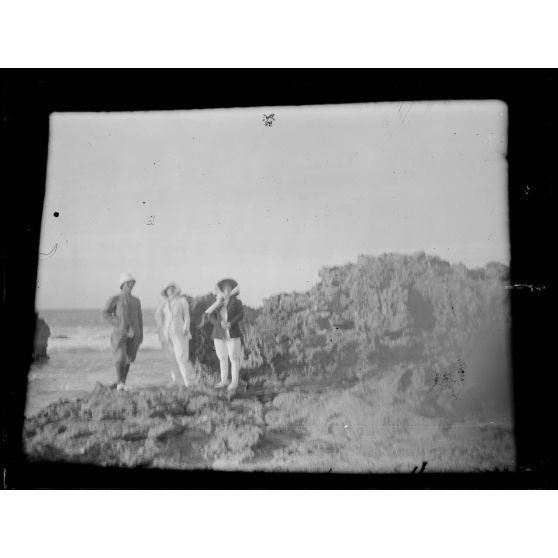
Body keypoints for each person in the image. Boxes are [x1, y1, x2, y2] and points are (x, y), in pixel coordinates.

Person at [102, 272, 143, 391]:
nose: (132, 284)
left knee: (129, 357)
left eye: (133, 282)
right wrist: (117, 322)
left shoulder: (136, 300)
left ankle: (123, 382)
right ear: (123, 284)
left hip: (134, 333)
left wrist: (140, 334)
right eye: (129, 282)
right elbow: (105, 314)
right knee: (119, 356)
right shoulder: (115, 298)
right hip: (120, 333)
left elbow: (140, 318)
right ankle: (120, 381)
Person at [205, 278, 243, 392]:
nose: (227, 290)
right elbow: (209, 316)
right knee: (222, 357)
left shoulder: (237, 302)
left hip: (233, 332)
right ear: (221, 290)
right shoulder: (217, 302)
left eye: (229, 288)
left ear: (232, 289)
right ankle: (224, 380)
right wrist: (220, 324)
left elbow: (240, 315)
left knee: (234, 357)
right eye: (224, 288)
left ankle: (234, 382)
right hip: (219, 333)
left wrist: (231, 323)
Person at [155, 281, 193, 387]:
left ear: (176, 289)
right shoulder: (163, 303)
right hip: (166, 334)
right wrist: (160, 326)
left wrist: (186, 327)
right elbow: (158, 317)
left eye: (172, 288)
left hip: (179, 332)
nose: (170, 290)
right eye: (168, 289)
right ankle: (175, 380)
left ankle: (187, 381)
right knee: (171, 357)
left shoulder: (182, 301)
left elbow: (187, 316)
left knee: (181, 356)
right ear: (166, 291)